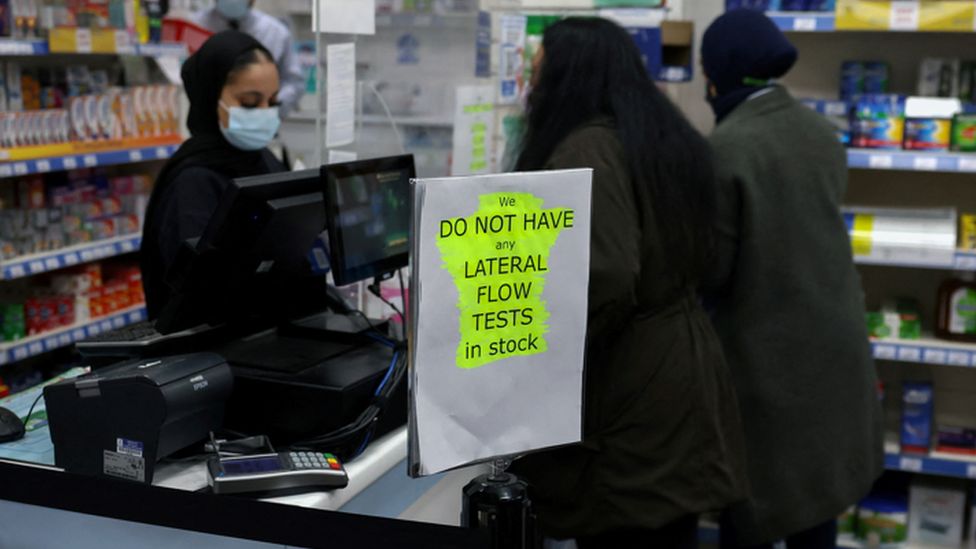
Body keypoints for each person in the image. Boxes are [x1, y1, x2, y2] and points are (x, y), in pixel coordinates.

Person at [510, 17, 747, 548]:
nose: (532, 85)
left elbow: (609, 273)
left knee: (624, 529)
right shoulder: (663, 136)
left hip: (631, 388)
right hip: (681, 367)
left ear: (569, 77)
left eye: (540, 72)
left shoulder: (586, 148)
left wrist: (543, 349)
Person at [701, 10, 884, 549]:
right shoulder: (820, 132)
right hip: (833, 347)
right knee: (815, 501)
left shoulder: (729, 146)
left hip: (769, 363)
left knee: (753, 506)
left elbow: (714, 272)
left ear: (722, 72)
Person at [140, 30, 285, 317]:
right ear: (210, 96)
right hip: (209, 349)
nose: (266, 113)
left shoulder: (264, 160)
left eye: (273, 101)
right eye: (249, 103)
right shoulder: (193, 181)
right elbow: (198, 291)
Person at [194, 0, 305, 116]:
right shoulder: (191, 26)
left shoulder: (276, 33)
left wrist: (268, 109)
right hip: (203, 122)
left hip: (260, 124)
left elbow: (293, 82)